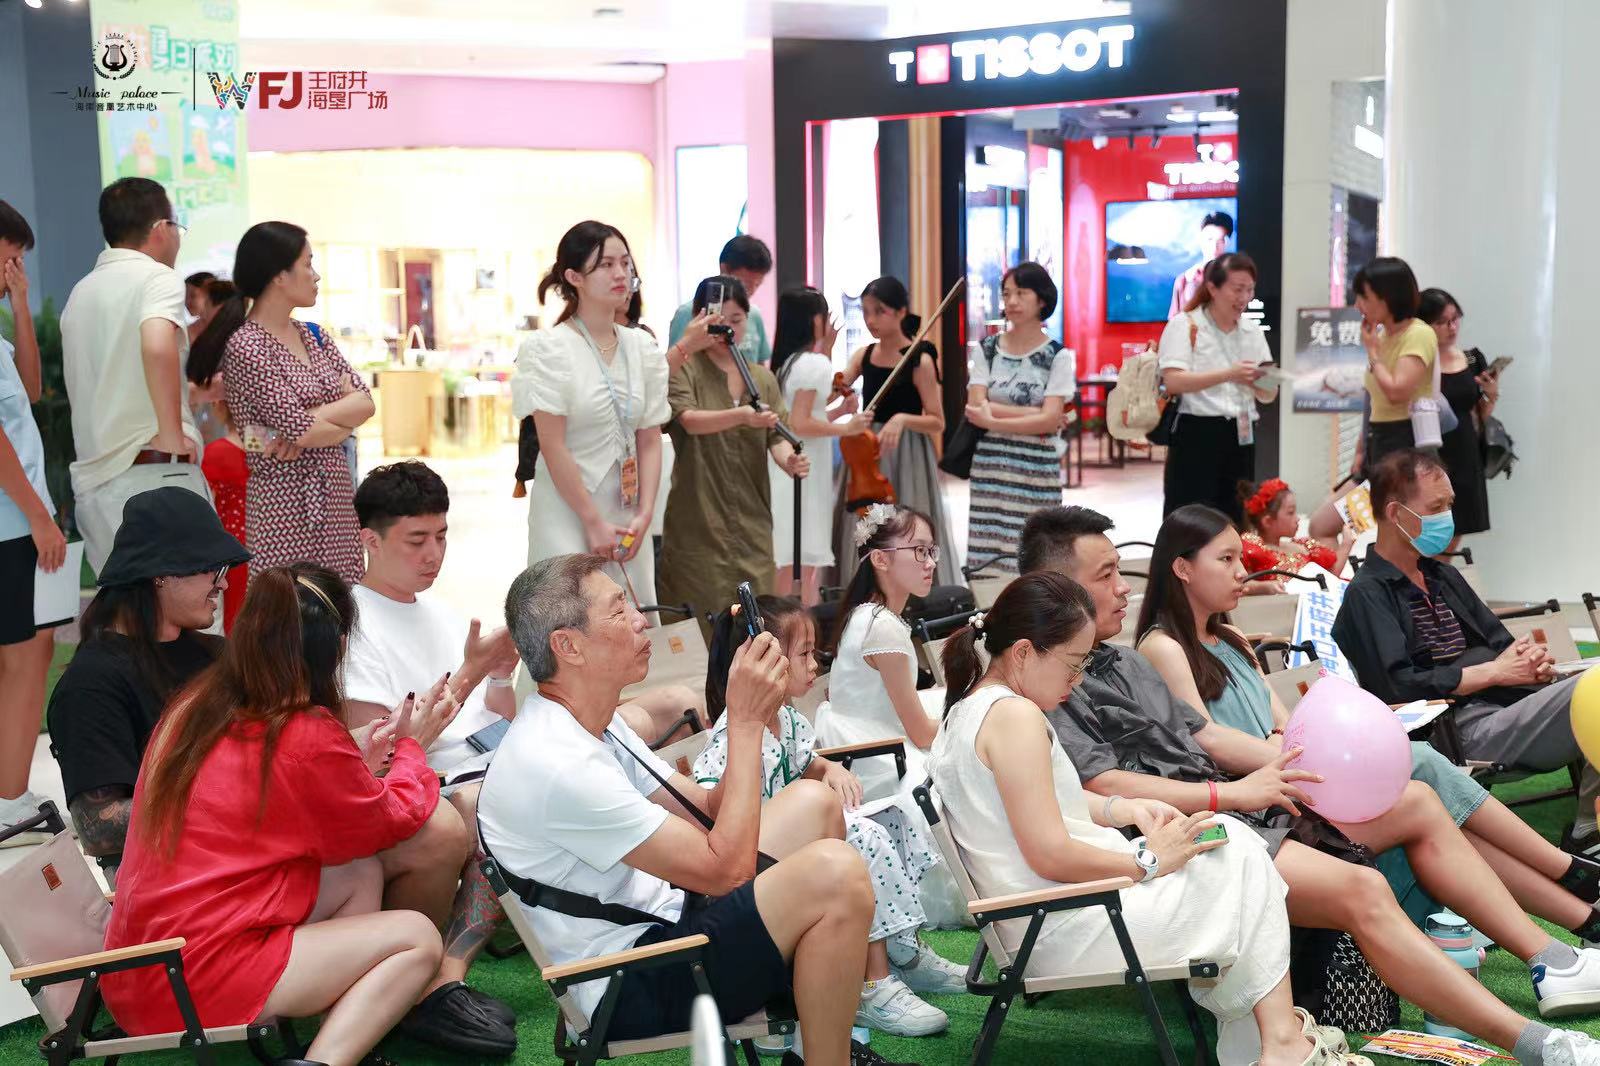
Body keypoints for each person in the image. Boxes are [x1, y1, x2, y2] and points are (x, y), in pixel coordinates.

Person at [1016, 504, 1600, 1064]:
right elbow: (1107, 785)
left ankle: (1552, 957)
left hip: (1238, 811)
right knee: (1373, 868)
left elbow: (1202, 741)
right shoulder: (1057, 681)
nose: (1123, 586)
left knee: (1419, 799)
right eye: (1107, 574)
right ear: (1055, 589)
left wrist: (1266, 775)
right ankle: (1538, 1038)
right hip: (1196, 835)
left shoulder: (1126, 662)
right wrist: (1236, 791)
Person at [480, 553, 911, 1066]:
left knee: (814, 804)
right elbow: (726, 871)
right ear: (567, 646)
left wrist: (753, 716)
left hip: (668, 921)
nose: (641, 622)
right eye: (618, 611)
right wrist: (743, 723)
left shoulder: (593, 721)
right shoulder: (558, 764)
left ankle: (810, 1048)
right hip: (630, 978)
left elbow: (706, 808)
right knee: (836, 874)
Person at [932, 572, 1368, 1066]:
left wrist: (1123, 809)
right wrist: (1147, 861)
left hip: (1047, 915)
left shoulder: (972, 708)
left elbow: (1038, 801)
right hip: (1064, 922)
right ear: (1024, 653)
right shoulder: (1015, 717)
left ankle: (1274, 1042)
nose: (1077, 682)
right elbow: (1049, 853)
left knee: (1231, 844)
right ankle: (1279, 1043)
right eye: (1073, 664)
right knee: (1242, 855)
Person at [1139, 503, 1600, 954]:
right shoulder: (1163, 646)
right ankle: (1566, 871)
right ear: (1182, 568)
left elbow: (1284, 719)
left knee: (1444, 808)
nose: (1242, 572)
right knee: (1420, 762)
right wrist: (1299, 759)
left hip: (1294, 777)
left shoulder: (1233, 638)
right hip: (1266, 798)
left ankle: (1584, 913)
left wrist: (1293, 749)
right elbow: (1207, 739)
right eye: (1226, 559)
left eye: (1240, 558)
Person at [100, 564, 446, 1066]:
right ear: (335, 647)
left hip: (143, 963)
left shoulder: (195, 704)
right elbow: (387, 820)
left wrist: (357, 760)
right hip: (195, 976)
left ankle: (342, 1034)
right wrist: (412, 749)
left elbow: (267, 797)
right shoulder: (302, 729)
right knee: (418, 938)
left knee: (358, 872)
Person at [697, 596, 964, 1038]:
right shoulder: (734, 733)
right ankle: (871, 985)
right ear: (764, 659)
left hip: (796, 840)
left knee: (891, 818)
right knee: (861, 839)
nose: (814, 665)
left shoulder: (787, 719)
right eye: (803, 654)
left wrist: (829, 768)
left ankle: (904, 950)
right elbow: (711, 808)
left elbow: (806, 761)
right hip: (762, 863)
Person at [1331, 449, 1600, 851]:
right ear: (1396, 513)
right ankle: (1587, 830)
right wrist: (1491, 673)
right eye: (1436, 508)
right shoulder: (1367, 595)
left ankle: (1588, 827)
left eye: (1449, 505)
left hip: (1510, 704)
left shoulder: (1442, 575)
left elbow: (1501, 646)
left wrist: (1529, 663)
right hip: (1453, 732)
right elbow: (1395, 687)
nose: (1447, 518)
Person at [341, 460, 519, 1055]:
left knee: (643, 718)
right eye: (416, 540)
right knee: (490, 802)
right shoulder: (353, 622)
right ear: (370, 541)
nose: (434, 554)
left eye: (441, 536)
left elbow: (494, 720)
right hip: (430, 783)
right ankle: (442, 979)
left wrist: (499, 676)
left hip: (480, 761)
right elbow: (382, 749)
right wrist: (473, 670)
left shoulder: (438, 610)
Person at [45, 488, 243, 880]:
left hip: (241, 851)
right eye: (213, 570)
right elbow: (97, 829)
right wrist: (238, 796)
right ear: (162, 575)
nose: (223, 585)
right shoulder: (91, 684)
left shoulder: (217, 655)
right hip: (165, 879)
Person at [514, 222, 701, 606]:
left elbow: (649, 437)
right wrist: (592, 520)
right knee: (570, 613)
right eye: (606, 265)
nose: (621, 274)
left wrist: (645, 513)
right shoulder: (549, 349)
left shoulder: (642, 347)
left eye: (625, 263)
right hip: (566, 508)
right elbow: (552, 445)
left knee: (631, 615)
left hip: (626, 508)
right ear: (574, 277)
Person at [188, 221, 374, 583]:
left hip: (336, 502)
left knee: (342, 608)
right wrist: (336, 424)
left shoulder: (314, 336)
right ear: (279, 276)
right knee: (290, 609)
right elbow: (303, 430)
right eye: (308, 264)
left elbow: (365, 402)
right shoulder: (247, 345)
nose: (316, 275)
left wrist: (310, 423)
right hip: (283, 510)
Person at [61, 178, 210, 575]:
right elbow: (157, 346)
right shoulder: (157, 277)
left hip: (96, 486)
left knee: (126, 608)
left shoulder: (81, 291)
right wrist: (172, 434)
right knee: (190, 605)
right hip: (155, 474)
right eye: (176, 226)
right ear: (161, 228)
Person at [656, 276, 809, 627]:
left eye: (737, 320)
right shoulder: (684, 370)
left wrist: (789, 460)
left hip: (753, 520)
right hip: (699, 518)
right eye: (719, 320)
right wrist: (741, 416)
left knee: (759, 619)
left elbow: (776, 436)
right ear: (699, 319)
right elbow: (689, 420)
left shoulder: (761, 378)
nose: (728, 329)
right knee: (699, 618)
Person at [0, 201, 70, 839]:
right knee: (27, 654)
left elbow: (29, 389)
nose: (13, 270)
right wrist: (39, 517)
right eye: (9, 258)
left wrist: (21, 305)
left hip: (14, 521)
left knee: (27, 651)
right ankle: (10, 799)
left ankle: (10, 791)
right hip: (9, 525)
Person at [832, 275, 959, 588]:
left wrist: (902, 419)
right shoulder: (864, 355)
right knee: (866, 524)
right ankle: (865, 589)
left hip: (907, 454)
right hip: (868, 452)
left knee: (904, 523)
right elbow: (832, 392)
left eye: (879, 311)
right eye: (866, 311)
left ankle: (913, 592)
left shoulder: (920, 359)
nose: (870, 320)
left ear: (901, 311)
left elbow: (938, 421)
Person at [816, 504, 940, 803]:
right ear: (880, 559)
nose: (930, 563)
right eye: (919, 551)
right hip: (879, 761)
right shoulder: (882, 626)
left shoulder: (865, 614)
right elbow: (922, 734)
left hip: (864, 748)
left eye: (931, 551)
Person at [963, 262, 1074, 574]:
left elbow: (1050, 420)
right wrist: (1036, 414)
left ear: (1042, 299)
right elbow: (975, 405)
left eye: (1021, 293)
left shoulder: (1057, 355)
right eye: (1006, 293)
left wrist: (993, 419)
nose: (1011, 301)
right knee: (989, 549)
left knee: (1038, 549)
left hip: (1037, 467)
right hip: (992, 465)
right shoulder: (987, 349)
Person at [1157, 252, 1277, 522]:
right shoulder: (1186, 325)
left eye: (1249, 290)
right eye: (1237, 289)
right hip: (1197, 433)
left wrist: (1259, 381)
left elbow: (1270, 393)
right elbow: (1173, 380)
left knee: (1235, 515)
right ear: (1212, 288)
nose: (1244, 297)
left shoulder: (1252, 331)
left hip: (1242, 433)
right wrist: (1229, 374)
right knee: (1190, 517)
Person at [770, 286, 868, 605]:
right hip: (804, 467)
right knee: (802, 557)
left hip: (787, 464)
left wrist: (837, 412)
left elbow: (803, 415)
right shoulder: (813, 363)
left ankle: (784, 620)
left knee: (790, 555)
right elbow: (800, 423)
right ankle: (800, 623)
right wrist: (846, 427)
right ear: (816, 320)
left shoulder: (788, 363)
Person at [1418, 287, 1494, 544]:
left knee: (1457, 526)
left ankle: (1441, 570)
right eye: (1442, 322)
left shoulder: (1472, 359)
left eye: (1455, 319)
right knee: (1428, 527)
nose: (1451, 327)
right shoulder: (1418, 361)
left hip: (1465, 450)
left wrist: (1491, 396)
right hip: (1431, 450)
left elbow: (1479, 417)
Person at [1354, 257, 1438, 470]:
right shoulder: (1381, 337)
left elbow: (1396, 392)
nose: (1358, 305)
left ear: (1388, 297)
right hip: (1378, 436)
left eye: (1364, 297)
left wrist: (1373, 353)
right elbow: (1375, 402)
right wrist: (1361, 450)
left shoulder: (1418, 334)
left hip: (1406, 438)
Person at [669, 234, 773, 364]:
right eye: (745, 284)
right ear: (724, 269)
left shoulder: (754, 314)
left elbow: (760, 363)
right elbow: (673, 365)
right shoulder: (688, 313)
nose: (751, 291)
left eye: (757, 284)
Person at [1236, 478, 1356, 586]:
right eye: (1290, 512)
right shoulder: (1252, 549)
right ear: (1267, 521)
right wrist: (1264, 588)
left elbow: (1329, 579)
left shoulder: (1303, 546)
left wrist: (1347, 543)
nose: (1297, 518)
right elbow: (1240, 583)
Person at [199, 398, 249, 632]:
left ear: (220, 407)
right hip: (272, 543)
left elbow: (205, 508)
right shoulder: (272, 450)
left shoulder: (215, 453)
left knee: (234, 619)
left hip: (232, 550)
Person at [1169, 210, 1234, 318]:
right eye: (1209, 239)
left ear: (1227, 243)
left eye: (1221, 240)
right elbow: (1174, 322)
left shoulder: (1236, 278)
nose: (1214, 246)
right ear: (1201, 240)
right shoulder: (1186, 279)